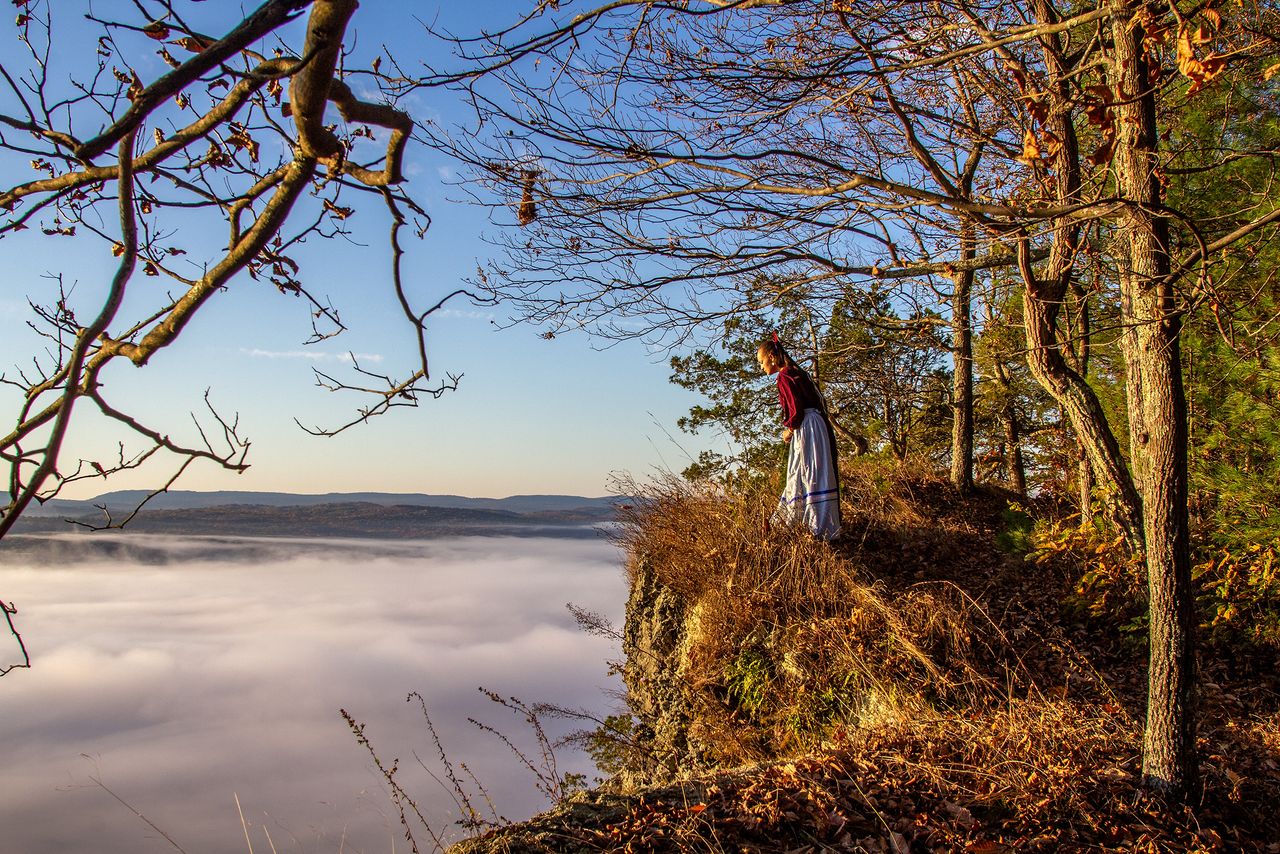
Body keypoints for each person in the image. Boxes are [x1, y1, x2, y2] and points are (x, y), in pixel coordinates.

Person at [757, 336, 841, 540]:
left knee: (805, 473)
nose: (761, 367)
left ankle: (814, 529)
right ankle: (823, 527)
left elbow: (795, 411)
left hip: (807, 428)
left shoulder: (784, 376)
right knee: (816, 473)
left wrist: (789, 429)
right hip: (817, 425)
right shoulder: (797, 373)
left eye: (761, 362)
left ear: (771, 356)